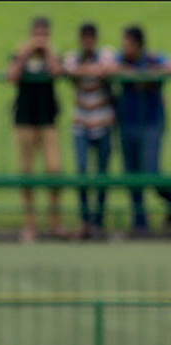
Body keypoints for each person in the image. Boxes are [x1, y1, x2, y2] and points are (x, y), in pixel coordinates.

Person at [105, 25, 171, 236]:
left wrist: (143, 75)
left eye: (128, 43)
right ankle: (140, 221)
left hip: (151, 122)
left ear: (138, 44)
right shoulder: (120, 59)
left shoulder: (153, 59)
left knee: (150, 171)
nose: (125, 47)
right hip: (127, 123)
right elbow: (107, 68)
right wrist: (133, 74)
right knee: (131, 172)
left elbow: (168, 67)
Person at [7, 16, 66, 242]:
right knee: (27, 173)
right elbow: (11, 76)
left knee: (54, 169)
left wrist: (49, 51)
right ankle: (30, 223)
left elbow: (57, 73)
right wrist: (24, 54)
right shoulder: (22, 54)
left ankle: (54, 221)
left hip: (48, 120)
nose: (40, 39)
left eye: (44, 35)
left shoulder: (52, 55)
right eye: (37, 35)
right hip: (24, 120)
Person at [62, 23, 116, 240]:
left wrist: (86, 71)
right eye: (84, 38)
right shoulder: (73, 57)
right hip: (82, 124)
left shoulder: (105, 54)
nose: (88, 42)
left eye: (91, 38)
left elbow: (108, 68)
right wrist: (90, 71)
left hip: (103, 122)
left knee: (102, 173)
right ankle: (85, 221)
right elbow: (67, 70)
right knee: (82, 170)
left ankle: (99, 221)